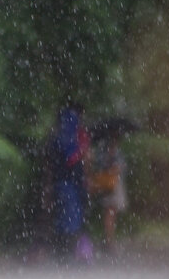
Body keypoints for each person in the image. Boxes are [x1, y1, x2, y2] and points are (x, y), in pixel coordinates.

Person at [43, 103, 91, 261]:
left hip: (60, 182)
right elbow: (79, 162)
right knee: (72, 218)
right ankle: (68, 253)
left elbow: (50, 164)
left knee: (63, 217)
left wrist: (49, 185)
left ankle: (61, 252)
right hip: (71, 183)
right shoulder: (75, 141)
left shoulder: (57, 138)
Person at [89, 134, 128, 252]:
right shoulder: (109, 153)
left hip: (110, 185)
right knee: (110, 213)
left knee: (110, 213)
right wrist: (114, 168)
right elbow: (115, 168)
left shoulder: (104, 153)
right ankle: (109, 241)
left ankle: (108, 239)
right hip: (110, 185)